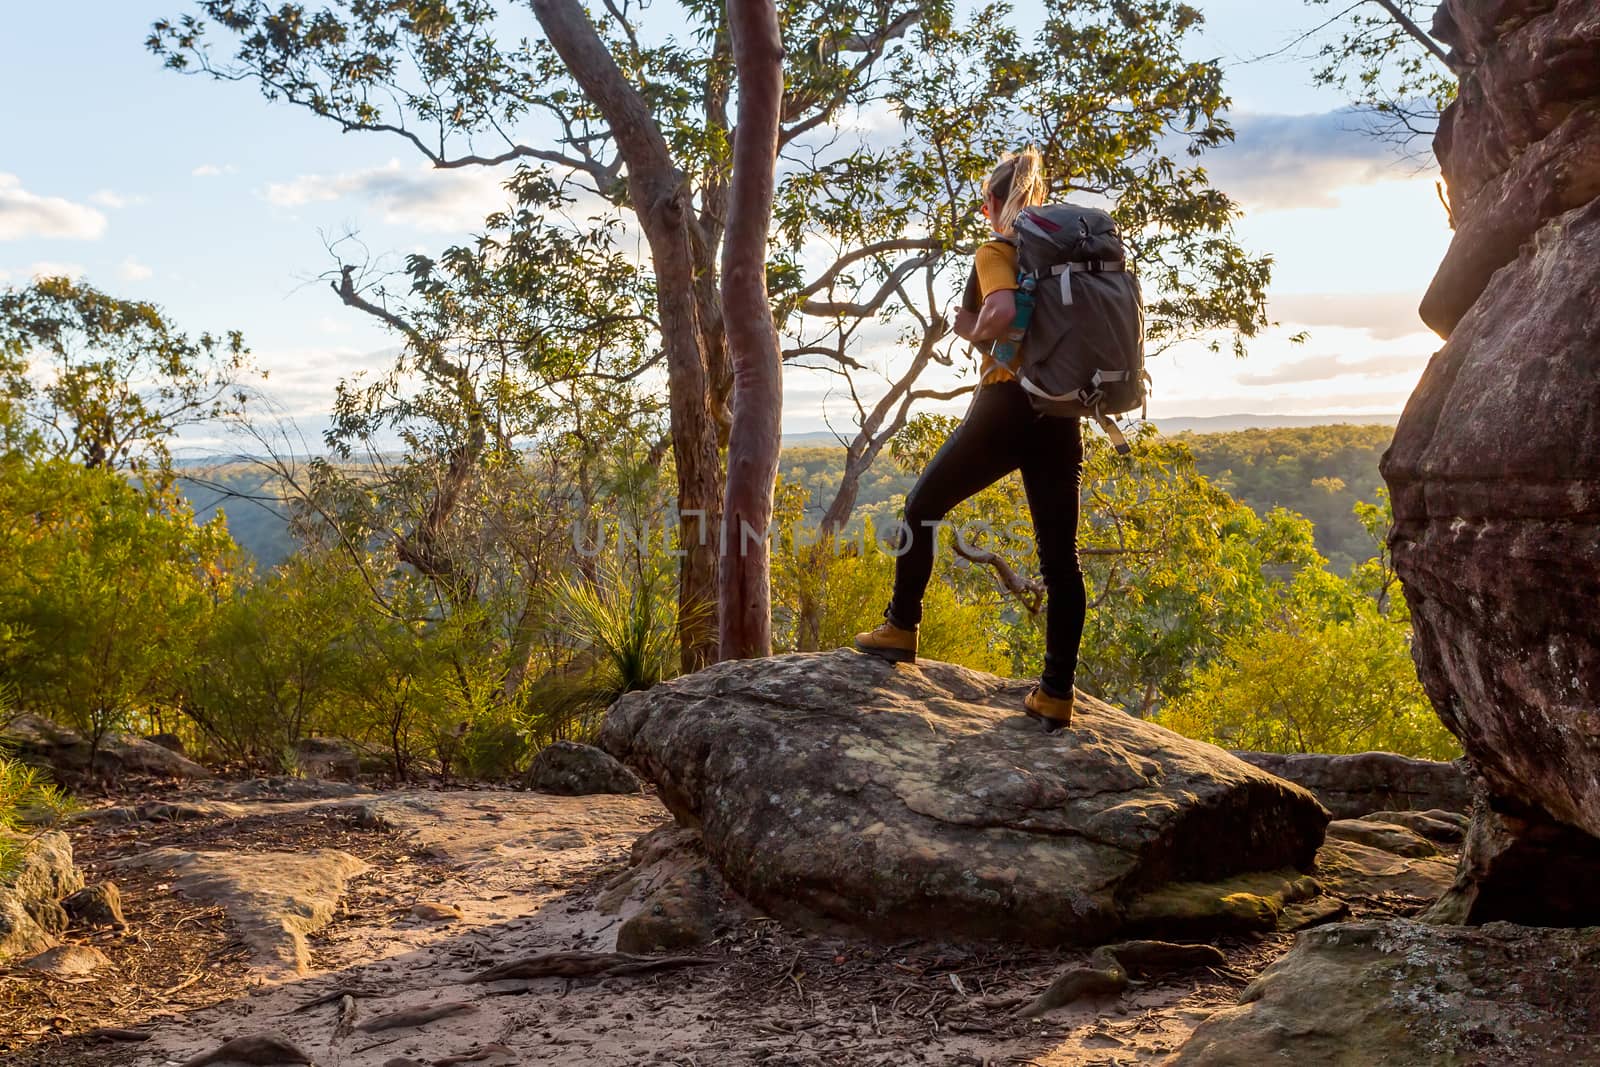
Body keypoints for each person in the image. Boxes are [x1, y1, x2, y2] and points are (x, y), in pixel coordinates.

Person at [853, 147, 1086, 731]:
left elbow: (1003, 313)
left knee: (921, 506)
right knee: (1061, 561)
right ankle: (1056, 692)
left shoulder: (998, 250)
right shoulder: (1064, 259)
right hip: (1060, 414)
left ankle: (901, 627)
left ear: (992, 205)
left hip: (1007, 405)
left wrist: (975, 332)